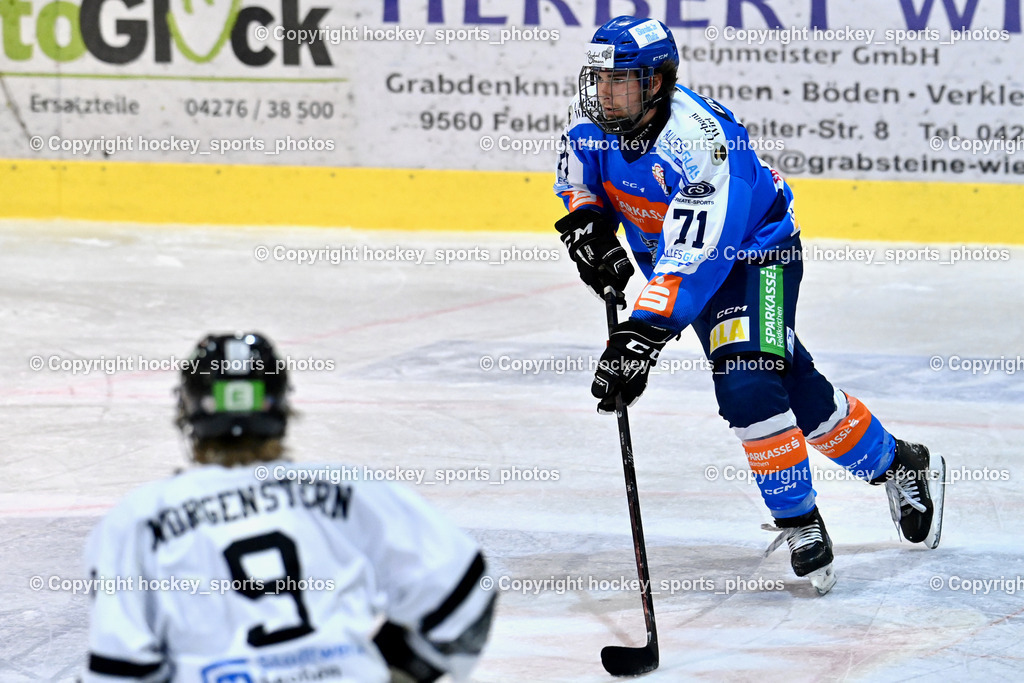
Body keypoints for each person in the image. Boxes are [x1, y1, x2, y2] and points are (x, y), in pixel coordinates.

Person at [553, 16, 945, 594]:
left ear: (657, 82)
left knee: (747, 378)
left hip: (754, 258)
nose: (605, 93)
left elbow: (698, 254)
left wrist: (643, 334)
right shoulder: (593, 125)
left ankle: (799, 521)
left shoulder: (703, 142)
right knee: (798, 389)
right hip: (689, 267)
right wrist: (586, 226)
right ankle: (898, 463)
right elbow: (579, 183)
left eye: (623, 81)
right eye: (600, 79)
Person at [83, 332, 495, 682]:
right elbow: (465, 599)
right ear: (282, 407)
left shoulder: (138, 520)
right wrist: (394, 671)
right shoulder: (350, 490)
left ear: (188, 411)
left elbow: (121, 669)